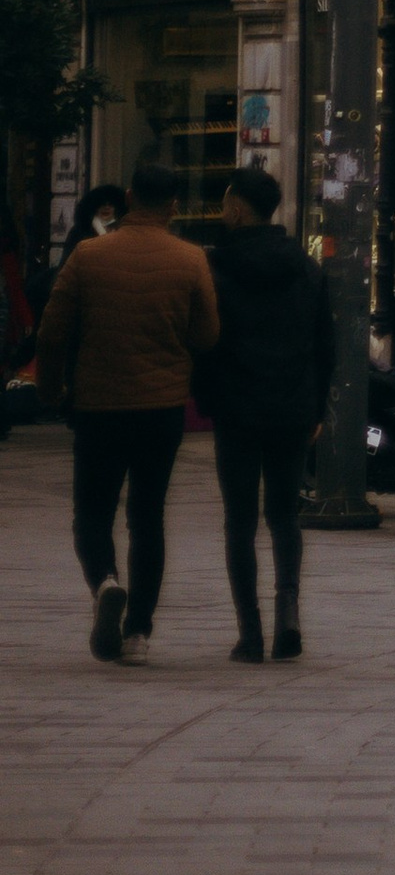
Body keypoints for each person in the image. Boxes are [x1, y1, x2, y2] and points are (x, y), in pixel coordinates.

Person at [33, 159, 219, 667]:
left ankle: (106, 583)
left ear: (131, 198)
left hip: (98, 405)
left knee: (92, 512)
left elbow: (51, 332)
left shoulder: (89, 256)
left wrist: (51, 388)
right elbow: (207, 336)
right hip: (160, 408)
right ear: (175, 205)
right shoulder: (190, 259)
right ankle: (138, 632)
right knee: (147, 516)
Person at [195, 166, 333, 665]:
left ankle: (249, 633)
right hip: (292, 405)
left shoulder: (216, 267)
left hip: (236, 407)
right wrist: (316, 407)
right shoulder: (306, 267)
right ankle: (288, 616)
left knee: (239, 521)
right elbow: (325, 344)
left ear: (236, 207)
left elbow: (205, 343)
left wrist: (208, 397)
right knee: (283, 516)